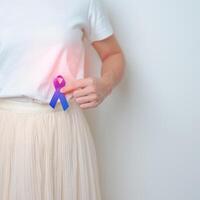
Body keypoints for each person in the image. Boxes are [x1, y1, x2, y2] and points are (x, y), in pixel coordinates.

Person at [0, 0, 125, 199]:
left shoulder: (85, 3)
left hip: (64, 127)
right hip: (5, 132)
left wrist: (105, 84)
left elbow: (113, 54)